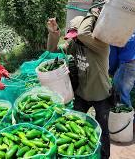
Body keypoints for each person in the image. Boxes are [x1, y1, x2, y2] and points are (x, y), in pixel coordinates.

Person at [47, 9, 111, 159]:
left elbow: (82, 34)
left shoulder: (100, 45)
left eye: (76, 36)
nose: (73, 40)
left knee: (103, 130)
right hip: (82, 94)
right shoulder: (75, 45)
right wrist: (53, 33)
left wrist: (92, 14)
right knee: (74, 126)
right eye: (72, 37)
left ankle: (104, 156)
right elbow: (52, 49)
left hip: (100, 95)